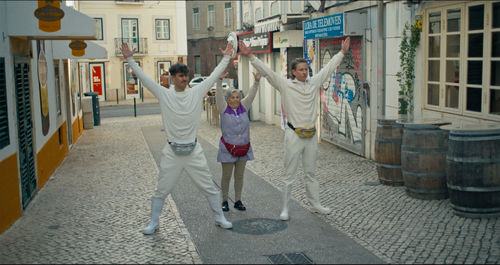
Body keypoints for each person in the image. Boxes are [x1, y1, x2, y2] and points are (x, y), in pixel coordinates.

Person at [120, 41, 235, 234]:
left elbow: (215, 74)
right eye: (181, 76)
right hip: (172, 152)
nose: (185, 78)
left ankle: (219, 217)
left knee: (208, 186)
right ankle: (154, 223)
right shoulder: (164, 94)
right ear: (172, 78)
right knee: (162, 189)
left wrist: (226, 57)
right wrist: (130, 59)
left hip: (193, 151)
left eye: (186, 75)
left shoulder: (196, 91)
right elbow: (144, 79)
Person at [238, 37, 350, 221]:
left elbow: (328, 69)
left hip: (311, 135)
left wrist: (342, 53)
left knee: (311, 173)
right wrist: (251, 57)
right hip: (293, 134)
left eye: (306, 69)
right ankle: (285, 208)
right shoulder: (285, 85)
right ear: (293, 72)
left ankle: (315, 205)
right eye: (301, 69)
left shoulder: (313, 83)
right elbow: (268, 73)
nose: (305, 72)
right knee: (289, 174)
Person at [215, 71, 260, 212]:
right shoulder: (223, 108)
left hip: (243, 149)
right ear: (228, 99)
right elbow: (219, 95)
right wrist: (219, 80)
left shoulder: (243, 107)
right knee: (226, 176)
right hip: (227, 149)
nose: (235, 100)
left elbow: (252, 94)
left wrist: (256, 81)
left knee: (239, 176)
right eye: (232, 97)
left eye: (237, 97)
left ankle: (238, 200)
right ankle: (224, 200)